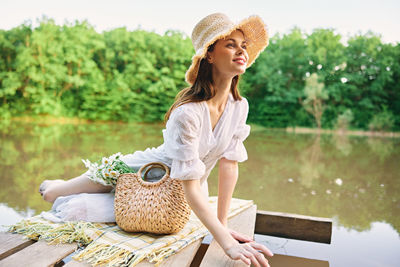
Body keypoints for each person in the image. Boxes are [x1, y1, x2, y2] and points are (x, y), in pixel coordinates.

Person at [39, 13, 273, 267]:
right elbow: (191, 185)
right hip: (144, 170)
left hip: (182, 190)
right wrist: (226, 243)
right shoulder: (188, 112)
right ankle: (56, 187)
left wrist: (223, 228)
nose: (241, 51)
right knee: (59, 196)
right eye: (231, 44)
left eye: (244, 45)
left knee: (78, 211)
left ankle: (68, 190)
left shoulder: (240, 106)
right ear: (210, 55)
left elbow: (229, 165)